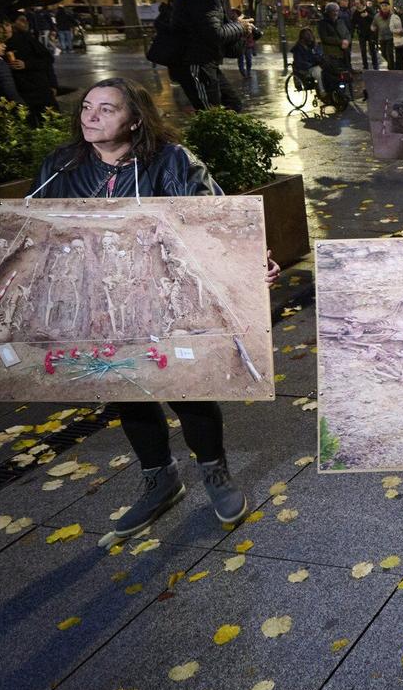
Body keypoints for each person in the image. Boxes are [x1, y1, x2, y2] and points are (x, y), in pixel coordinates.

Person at [29, 78, 270, 545]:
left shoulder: (173, 162)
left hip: (165, 300)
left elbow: (214, 223)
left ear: (135, 119)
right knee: (126, 385)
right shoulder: (61, 166)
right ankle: (159, 478)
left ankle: (215, 472)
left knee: (185, 386)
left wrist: (250, 261)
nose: (90, 117)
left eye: (106, 109)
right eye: (86, 106)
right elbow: (32, 231)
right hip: (99, 305)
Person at [170, 0, 255, 111]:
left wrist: (236, 25)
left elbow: (211, 27)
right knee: (211, 115)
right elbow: (214, 34)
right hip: (195, 62)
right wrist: (240, 27)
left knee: (233, 105)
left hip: (206, 61)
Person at [2, 11, 60, 120]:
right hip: (22, 93)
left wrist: (53, 84)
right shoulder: (0, 44)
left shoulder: (27, 39)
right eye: (22, 20)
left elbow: (47, 60)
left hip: (40, 90)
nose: (26, 23)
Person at [292, 26, 328, 102]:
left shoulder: (314, 46)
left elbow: (320, 55)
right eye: (308, 35)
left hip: (316, 65)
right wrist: (311, 64)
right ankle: (322, 91)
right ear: (302, 38)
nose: (310, 37)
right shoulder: (298, 49)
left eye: (310, 35)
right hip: (305, 69)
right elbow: (299, 62)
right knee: (318, 72)